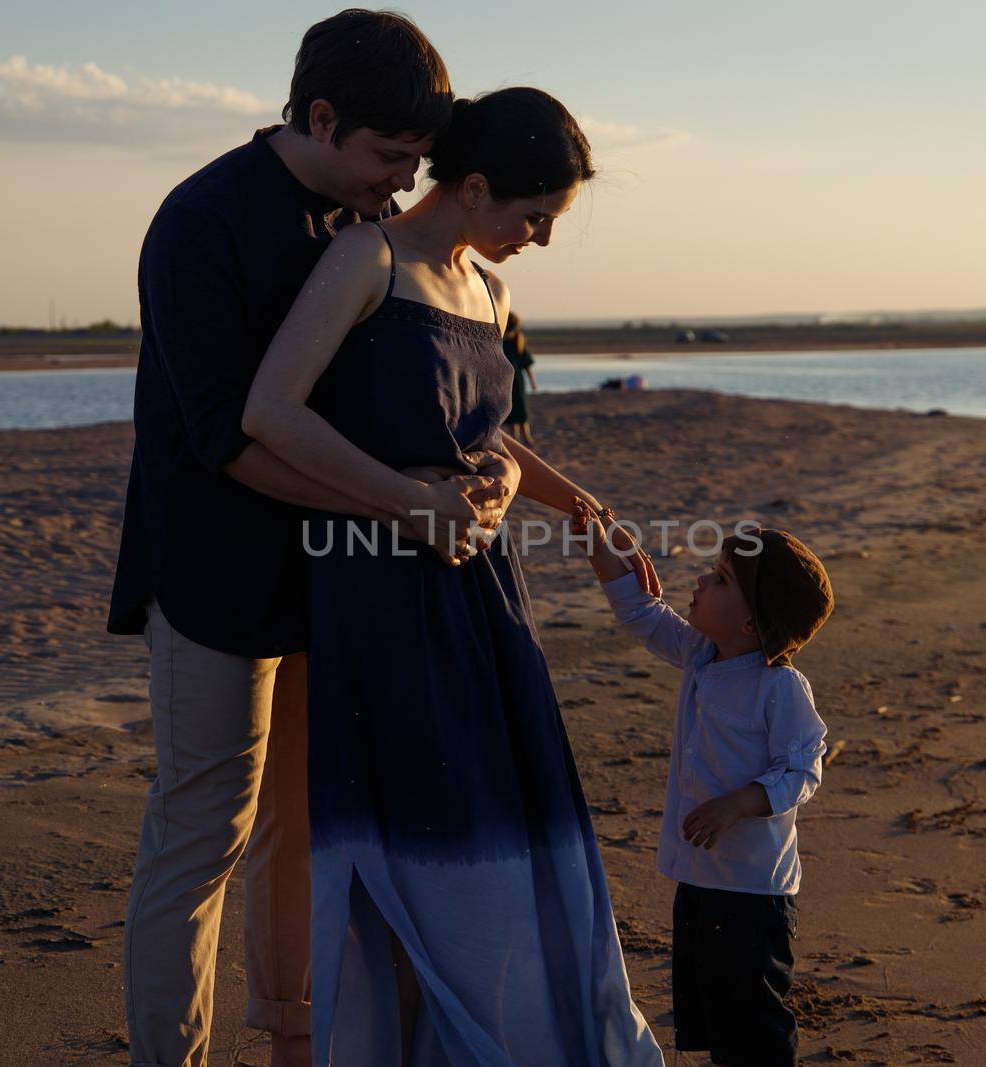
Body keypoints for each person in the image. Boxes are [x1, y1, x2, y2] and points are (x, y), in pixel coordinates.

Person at [106, 12, 516, 1067]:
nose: (397, 183)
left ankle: (293, 1040)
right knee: (201, 833)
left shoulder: (360, 228)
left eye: (413, 163)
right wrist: (401, 502)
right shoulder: (204, 219)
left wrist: (480, 474)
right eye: (385, 158)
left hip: (339, 587)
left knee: (300, 830)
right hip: (212, 576)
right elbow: (224, 440)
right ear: (320, 118)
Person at [242, 87, 664, 1065]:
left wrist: (580, 507)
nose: (541, 239)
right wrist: (405, 499)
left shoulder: (490, 288)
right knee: (423, 837)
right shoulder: (366, 259)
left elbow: (495, 435)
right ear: (472, 185)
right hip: (376, 589)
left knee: (506, 820)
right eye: (533, 216)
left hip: (483, 596)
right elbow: (270, 410)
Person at [578, 512, 833, 1067]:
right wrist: (599, 548)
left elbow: (804, 768)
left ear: (752, 623)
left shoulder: (779, 686)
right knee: (716, 1016)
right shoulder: (700, 656)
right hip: (698, 879)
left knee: (755, 1024)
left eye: (720, 580)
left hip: (752, 891)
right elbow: (641, 614)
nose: (700, 582)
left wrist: (740, 803)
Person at [503, 310, 537, 445]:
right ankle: (515, 438)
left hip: (518, 382)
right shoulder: (500, 343)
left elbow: (527, 365)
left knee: (522, 409)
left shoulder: (518, 343)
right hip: (506, 383)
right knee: (511, 411)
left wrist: (532, 381)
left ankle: (526, 437)